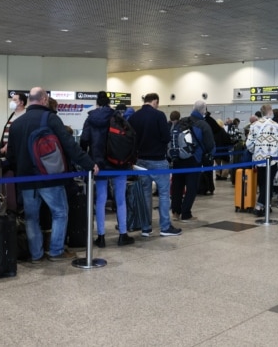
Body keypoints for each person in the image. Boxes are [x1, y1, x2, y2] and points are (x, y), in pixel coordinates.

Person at [7, 87, 98, 263]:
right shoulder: (50, 119)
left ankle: (36, 254)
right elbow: (69, 145)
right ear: (44, 100)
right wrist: (88, 163)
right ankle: (56, 251)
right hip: (50, 178)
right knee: (60, 213)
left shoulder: (16, 124)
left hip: (26, 180)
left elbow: (11, 155)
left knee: (31, 218)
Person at [79, 91, 135, 247]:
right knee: (120, 199)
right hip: (118, 163)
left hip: (99, 164)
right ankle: (123, 234)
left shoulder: (90, 119)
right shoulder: (117, 117)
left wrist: (89, 158)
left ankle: (101, 237)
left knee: (101, 200)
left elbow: (84, 141)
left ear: (97, 103)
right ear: (109, 102)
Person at [128, 93, 182, 237]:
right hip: (158, 160)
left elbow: (131, 139)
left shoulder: (134, 117)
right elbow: (166, 137)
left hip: (140, 161)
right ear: (155, 101)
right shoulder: (159, 115)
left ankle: (146, 228)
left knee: (145, 194)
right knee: (164, 194)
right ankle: (165, 227)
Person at [170, 101, 215, 222]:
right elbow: (210, 145)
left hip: (178, 159)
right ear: (204, 111)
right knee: (191, 187)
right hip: (194, 159)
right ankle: (186, 213)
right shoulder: (203, 124)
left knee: (177, 186)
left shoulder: (181, 121)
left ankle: (175, 213)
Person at [246, 104, 278, 216]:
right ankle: (259, 206)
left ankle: (267, 205)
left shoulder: (254, 125)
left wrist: (256, 151)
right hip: (272, 159)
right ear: (270, 112)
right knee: (268, 183)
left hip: (258, 159)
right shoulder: (277, 126)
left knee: (262, 183)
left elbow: (249, 144)